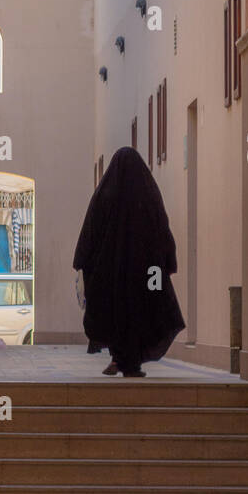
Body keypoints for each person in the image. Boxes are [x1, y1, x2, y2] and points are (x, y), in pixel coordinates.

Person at [73, 146, 185, 377]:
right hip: (146, 273)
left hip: (111, 273)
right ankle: (131, 362)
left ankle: (117, 358)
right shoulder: (147, 193)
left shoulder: (105, 194)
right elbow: (161, 227)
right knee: (143, 310)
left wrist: (83, 261)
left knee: (114, 311)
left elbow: (91, 230)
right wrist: (166, 262)